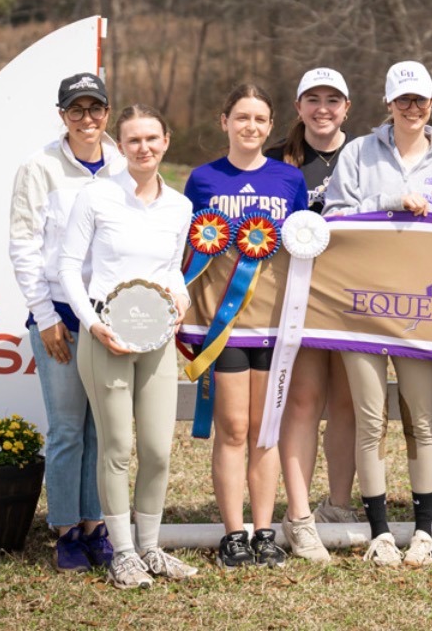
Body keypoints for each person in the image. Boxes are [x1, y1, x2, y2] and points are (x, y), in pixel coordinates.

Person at [322, 60, 432, 567]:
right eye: (403, 100)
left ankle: (424, 532)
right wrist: (387, 202)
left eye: (421, 101)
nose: (412, 109)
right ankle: (381, 532)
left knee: (421, 421)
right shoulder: (357, 152)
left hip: (421, 312)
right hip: (362, 305)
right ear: (387, 103)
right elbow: (332, 218)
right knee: (370, 421)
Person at [58, 105, 196, 590]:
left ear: (166, 141)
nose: (144, 148)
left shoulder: (179, 206)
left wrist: (182, 296)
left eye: (152, 139)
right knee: (116, 446)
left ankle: (151, 548)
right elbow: (69, 267)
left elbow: (172, 269)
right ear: (121, 144)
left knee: (158, 450)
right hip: (107, 338)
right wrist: (92, 324)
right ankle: (122, 553)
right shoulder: (96, 196)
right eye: (134, 140)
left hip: (157, 340)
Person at [182, 83, 309, 568]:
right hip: (224, 327)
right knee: (233, 429)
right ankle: (233, 534)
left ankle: (264, 531)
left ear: (270, 125)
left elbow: (304, 246)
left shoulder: (288, 179)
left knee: (265, 432)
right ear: (224, 122)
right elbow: (188, 250)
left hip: (275, 326)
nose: (250, 126)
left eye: (259, 119)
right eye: (241, 117)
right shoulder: (202, 179)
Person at [9, 72, 120, 572]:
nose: (87, 119)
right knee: (68, 430)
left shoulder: (122, 164)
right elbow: (24, 247)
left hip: (109, 318)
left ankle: (97, 526)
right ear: (62, 116)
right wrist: (46, 316)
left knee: (102, 429)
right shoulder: (39, 168)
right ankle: (66, 530)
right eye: (76, 110)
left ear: (107, 112)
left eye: (95, 108)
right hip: (59, 316)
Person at [264, 68, 359, 562]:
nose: (323, 109)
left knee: (348, 403)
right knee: (302, 401)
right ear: (298, 106)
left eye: (333, 100)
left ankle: (339, 506)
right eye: (312, 99)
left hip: (351, 299)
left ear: (348, 107)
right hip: (296, 298)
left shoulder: (364, 154)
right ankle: (299, 515)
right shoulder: (277, 159)